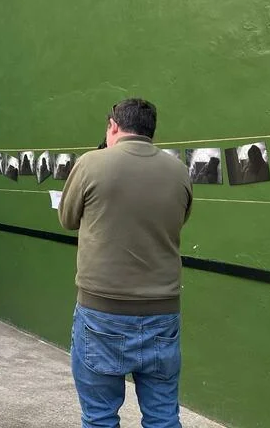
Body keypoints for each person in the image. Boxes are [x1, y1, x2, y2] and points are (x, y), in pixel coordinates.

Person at [59, 98, 192, 428]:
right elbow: (181, 218)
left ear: (113, 126)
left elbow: (67, 218)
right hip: (162, 311)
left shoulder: (91, 163)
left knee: (100, 418)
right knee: (163, 416)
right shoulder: (179, 170)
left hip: (102, 312)